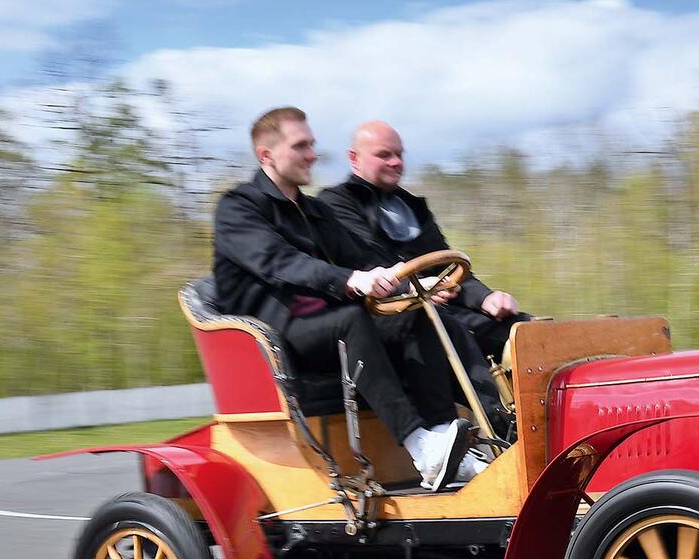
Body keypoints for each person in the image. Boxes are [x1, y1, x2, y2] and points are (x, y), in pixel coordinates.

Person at [213, 107, 484, 490]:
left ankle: (444, 442)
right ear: (266, 155)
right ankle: (421, 449)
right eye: (301, 146)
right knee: (351, 322)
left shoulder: (315, 212)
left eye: (312, 145)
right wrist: (354, 280)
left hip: (326, 324)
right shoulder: (238, 209)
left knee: (413, 316)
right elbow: (281, 262)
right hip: (277, 336)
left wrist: (413, 286)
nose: (312, 154)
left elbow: (363, 260)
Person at [319, 121, 529, 362]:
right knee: (454, 330)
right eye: (384, 155)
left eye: (399, 154)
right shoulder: (334, 204)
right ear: (354, 158)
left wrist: (487, 298)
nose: (396, 162)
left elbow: (448, 266)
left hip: (441, 308)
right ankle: (491, 401)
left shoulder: (412, 207)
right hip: (386, 315)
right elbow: (367, 266)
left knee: (525, 329)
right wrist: (418, 286)